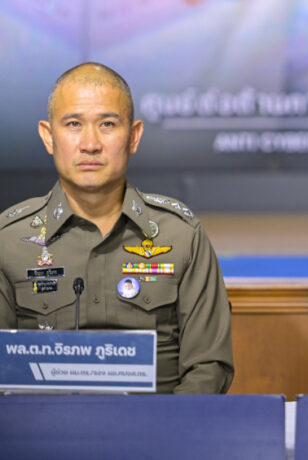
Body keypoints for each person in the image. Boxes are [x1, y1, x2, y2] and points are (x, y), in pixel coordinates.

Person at [0, 62, 234, 394]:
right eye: (74, 124)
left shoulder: (182, 236)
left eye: (107, 124)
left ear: (133, 136)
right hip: (43, 425)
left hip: (159, 424)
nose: (90, 144)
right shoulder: (8, 240)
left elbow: (209, 367)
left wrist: (167, 424)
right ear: (48, 137)